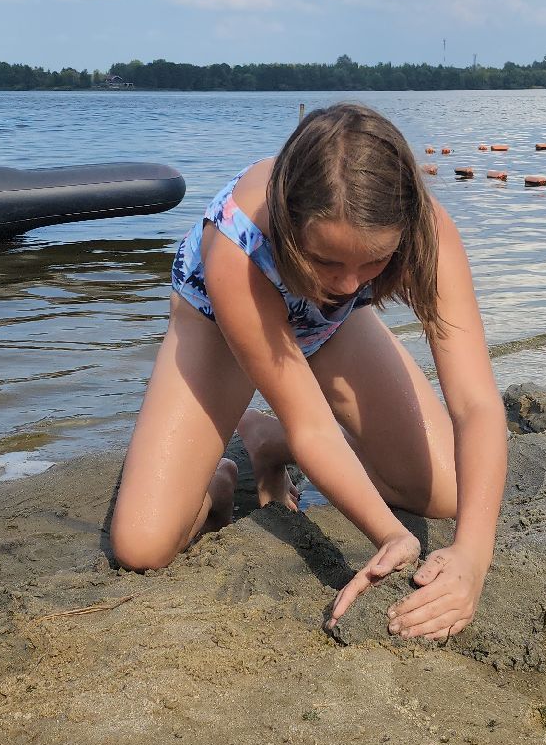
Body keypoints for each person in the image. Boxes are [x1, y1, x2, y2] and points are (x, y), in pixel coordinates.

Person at [108, 103, 506, 641]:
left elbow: (476, 404)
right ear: (290, 223)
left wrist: (471, 556)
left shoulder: (423, 228)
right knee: (142, 546)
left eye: (373, 262)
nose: (348, 285)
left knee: (449, 494)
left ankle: (268, 443)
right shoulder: (239, 241)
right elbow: (313, 426)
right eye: (327, 261)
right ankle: (220, 477)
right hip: (219, 317)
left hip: (328, 329)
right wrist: (391, 535)